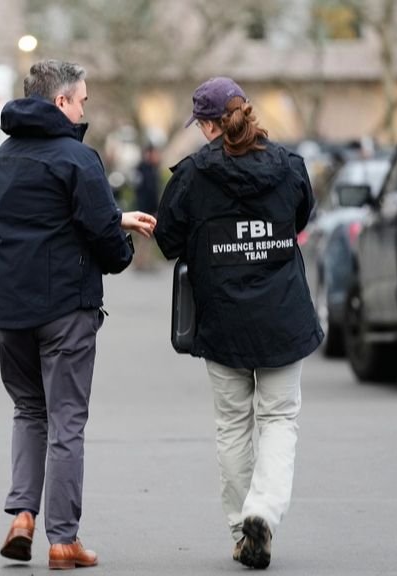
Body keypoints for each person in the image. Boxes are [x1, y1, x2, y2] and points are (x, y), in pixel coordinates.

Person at [0, 59, 156, 570]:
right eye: (81, 100)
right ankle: (63, 539)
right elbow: (99, 233)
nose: (84, 109)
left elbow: (39, 218)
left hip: (9, 307)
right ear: (60, 101)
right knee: (66, 421)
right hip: (64, 307)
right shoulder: (78, 158)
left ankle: (22, 516)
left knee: (28, 410)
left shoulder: (0, 158)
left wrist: (113, 217)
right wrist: (121, 244)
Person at [153, 77, 322, 569]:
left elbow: (168, 242)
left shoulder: (192, 175)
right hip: (282, 316)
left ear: (208, 126)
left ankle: (240, 528)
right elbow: (300, 219)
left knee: (232, 425)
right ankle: (262, 512)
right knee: (279, 419)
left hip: (223, 318)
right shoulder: (289, 166)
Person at [132, 144, 162, 271]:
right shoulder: (143, 170)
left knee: (147, 237)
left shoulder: (152, 169)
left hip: (149, 209)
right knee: (143, 236)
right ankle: (140, 262)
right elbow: (143, 192)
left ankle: (145, 261)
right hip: (144, 209)